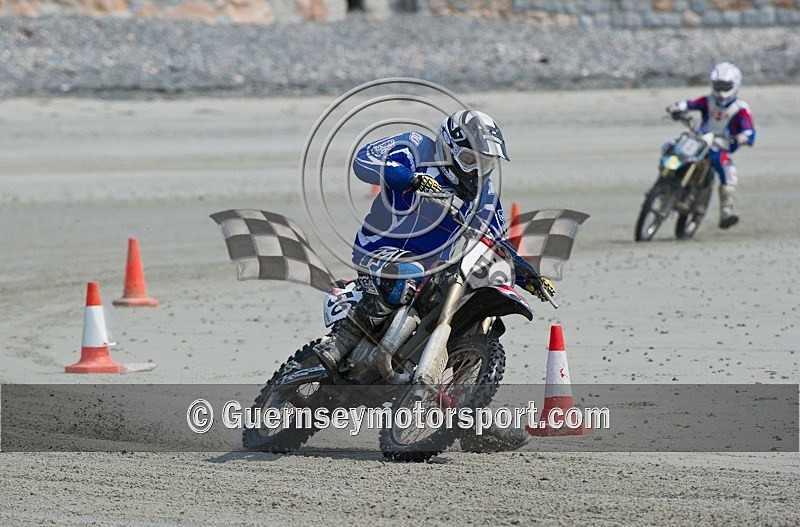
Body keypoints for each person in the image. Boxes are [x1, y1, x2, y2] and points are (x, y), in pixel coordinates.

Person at [313, 109, 551, 373]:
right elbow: (364, 160)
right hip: (379, 249)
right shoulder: (416, 147)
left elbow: (497, 240)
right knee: (405, 277)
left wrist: (527, 276)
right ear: (449, 149)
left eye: (485, 164)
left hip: (432, 268)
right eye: (470, 160)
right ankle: (341, 339)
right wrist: (410, 179)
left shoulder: (486, 193)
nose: (476, 172)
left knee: (470, 293)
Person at [667, 62, 756, 229]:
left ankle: (726, 211)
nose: (721, 90)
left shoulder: (740, 108)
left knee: (728, 172)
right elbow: (690, 104)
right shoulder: (708, 100)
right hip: (700, 139)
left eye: (725, 85)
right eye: (718, 85)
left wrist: (743, 137)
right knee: (671, 147)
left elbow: (748, 128)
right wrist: (677, 107)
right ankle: (666, 180)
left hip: (721, 144)